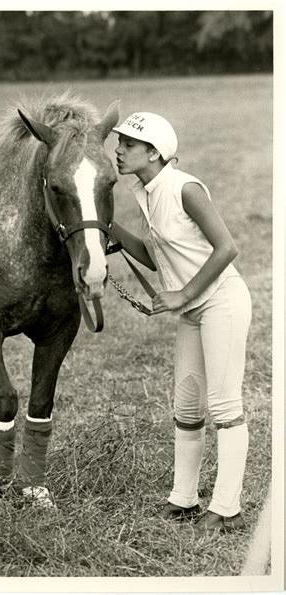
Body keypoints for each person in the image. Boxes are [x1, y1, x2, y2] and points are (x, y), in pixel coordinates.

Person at [110, 112, 251, 533]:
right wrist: (107, 226)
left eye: (128, 145)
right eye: (119, 143)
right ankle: (184, 500)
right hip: (192, 312)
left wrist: (183, 294)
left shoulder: (184, 187)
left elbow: (227, 248)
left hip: (221, 301)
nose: (118, 151)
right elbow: (158, 256)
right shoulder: (146, 191)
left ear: (154, 152)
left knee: (225, 406)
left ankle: (228, 509)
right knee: (187, 408)